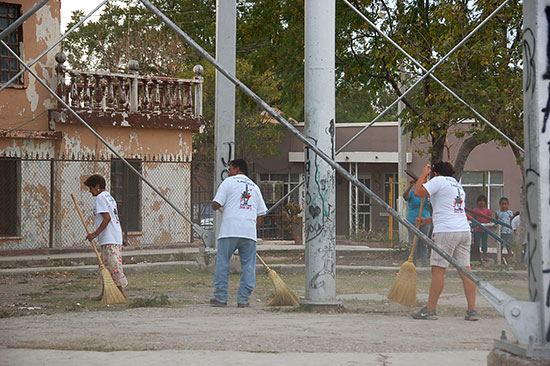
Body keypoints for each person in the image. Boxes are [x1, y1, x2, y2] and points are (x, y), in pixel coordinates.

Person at [411, 162, 477, 321]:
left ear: (435, 173)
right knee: (465, 270)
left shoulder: (438, 180)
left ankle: (431, 309)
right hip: (463, 231)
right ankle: (472, 310)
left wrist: (422, 174)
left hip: (446, 232)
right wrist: (426, 221)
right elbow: (448, 212)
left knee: (439, 270)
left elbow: (418, 192)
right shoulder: (458, 186)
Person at [210, 159, 267, 308]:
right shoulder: (254, 187)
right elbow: (261, 213)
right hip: (248, 232)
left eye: (230, 169)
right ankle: (243, 299)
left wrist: (215, 206)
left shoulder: (228, 182)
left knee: (223, 262)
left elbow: (216, 204)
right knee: (249, 265)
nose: (229, 172)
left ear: (237, 168)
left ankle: (221, 297)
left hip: (229, 230)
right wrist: (254, 228)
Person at [83, 174, 128, 300]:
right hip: (112, 236)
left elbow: (107, 218)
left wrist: (95, 234)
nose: (90, 191)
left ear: (97, 186)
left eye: (91, 188)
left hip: (110, 238)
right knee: (105, 267)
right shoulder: (109, 197)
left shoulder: (100, 198)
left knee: (114, 267)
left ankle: (121, 294)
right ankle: (104, 294)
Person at [403, 178, 432, 266]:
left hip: (425, 220)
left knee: (425, 242)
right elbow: (405, 196)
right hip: (412, 220)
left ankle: (424, 263)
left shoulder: (427, 195)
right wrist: (410, 186)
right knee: (413, 243)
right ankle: (412, 263)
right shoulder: (412, 193)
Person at [471, 195, 491, 262]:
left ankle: (485, 256)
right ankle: (477, 257)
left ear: (485, 202)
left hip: (485, 230)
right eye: (479, 201)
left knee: (484, 243)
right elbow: (473, 218)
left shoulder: (488, 211)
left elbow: (489, 219)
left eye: (483, 201)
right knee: (477, 243)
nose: (481, 202)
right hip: (477, 230)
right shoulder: (475, 210)